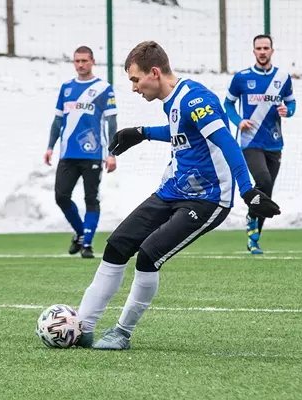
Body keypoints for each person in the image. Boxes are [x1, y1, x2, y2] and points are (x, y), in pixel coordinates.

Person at [75, 41, 281, 350]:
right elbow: (180, 131)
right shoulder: (171, 100)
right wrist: (142, 133)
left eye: (135, 79)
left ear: (154, 73)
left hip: (209, 199)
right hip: (173, 190)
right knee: (117, 245)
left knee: (148, 256)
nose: (134, 88)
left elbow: (227, 142)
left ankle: (122, 332)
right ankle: (82, 327)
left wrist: (247, 190)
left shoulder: (196, 100)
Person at [223, 34, 296, 254]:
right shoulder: (242, 78)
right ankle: (252, 220)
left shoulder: (282, 77)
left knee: (267, 192)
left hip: (274, 143)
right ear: (253, 51)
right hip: (250, 142)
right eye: (259, 48)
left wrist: (287, 111)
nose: (262, 52)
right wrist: (238, 121)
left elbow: (291, 104)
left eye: (266, 48)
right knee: (263, 180)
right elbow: (228, 104)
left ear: (272, 50)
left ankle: (254, 238)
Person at [44, 45, 118, 259]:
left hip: (93, 153)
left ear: (92, 62)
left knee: (91, 198)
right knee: (61, 196)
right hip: (68, 152)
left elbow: (112, 122)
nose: (81, 65)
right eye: (77, 61)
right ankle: (79, 232)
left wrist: (112, 153)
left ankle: (87, 243)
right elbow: (58, 120)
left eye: (84, 60)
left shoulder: (104, 88)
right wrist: (50, 146)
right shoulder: (66, 88)